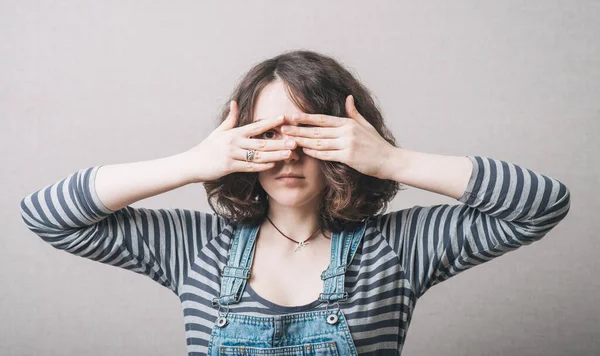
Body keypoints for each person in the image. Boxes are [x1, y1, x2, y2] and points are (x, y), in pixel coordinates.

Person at [20, 50, 571, 355]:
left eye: (308, 133)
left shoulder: (397, 250)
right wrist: (194, 162)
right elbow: (47, 215)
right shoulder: (195, 248)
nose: (287, 155)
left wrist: (390, 161)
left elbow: (542, 204)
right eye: (266, 136)